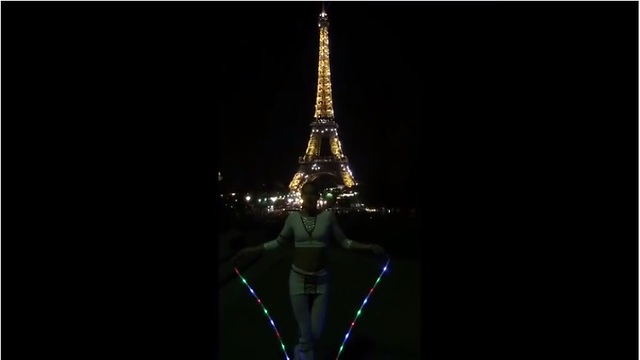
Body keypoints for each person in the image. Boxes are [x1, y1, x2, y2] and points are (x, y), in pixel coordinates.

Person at [232, 181, 385, 360]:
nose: (310, 197)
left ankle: (301, 352)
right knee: (306, 332)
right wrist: (252, 250)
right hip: (298, 278)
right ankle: (304, 355)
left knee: (315, 332)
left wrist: (369, 247)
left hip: (321, 280)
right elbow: (278, 243)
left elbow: (344, 242)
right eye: (307, 193)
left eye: (314, 193)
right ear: (302, 196)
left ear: (318, 196)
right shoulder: (293, 219)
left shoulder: (328, 217)